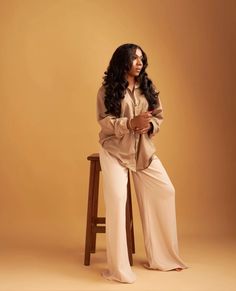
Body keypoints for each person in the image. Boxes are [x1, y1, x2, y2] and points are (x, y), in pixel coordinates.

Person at [96, 43, 189, 283]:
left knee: (166, 190)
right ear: (122, 61)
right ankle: (119, 270)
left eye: (142, 59)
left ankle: (164, 258)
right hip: (115, 150)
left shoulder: (148, 87)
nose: (140, 63)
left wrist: (149, 125)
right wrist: (129, 123)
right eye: (134, 58)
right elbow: (105, 122)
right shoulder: (107, 90)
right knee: (117, 200)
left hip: (142, 151)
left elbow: (158, 116)